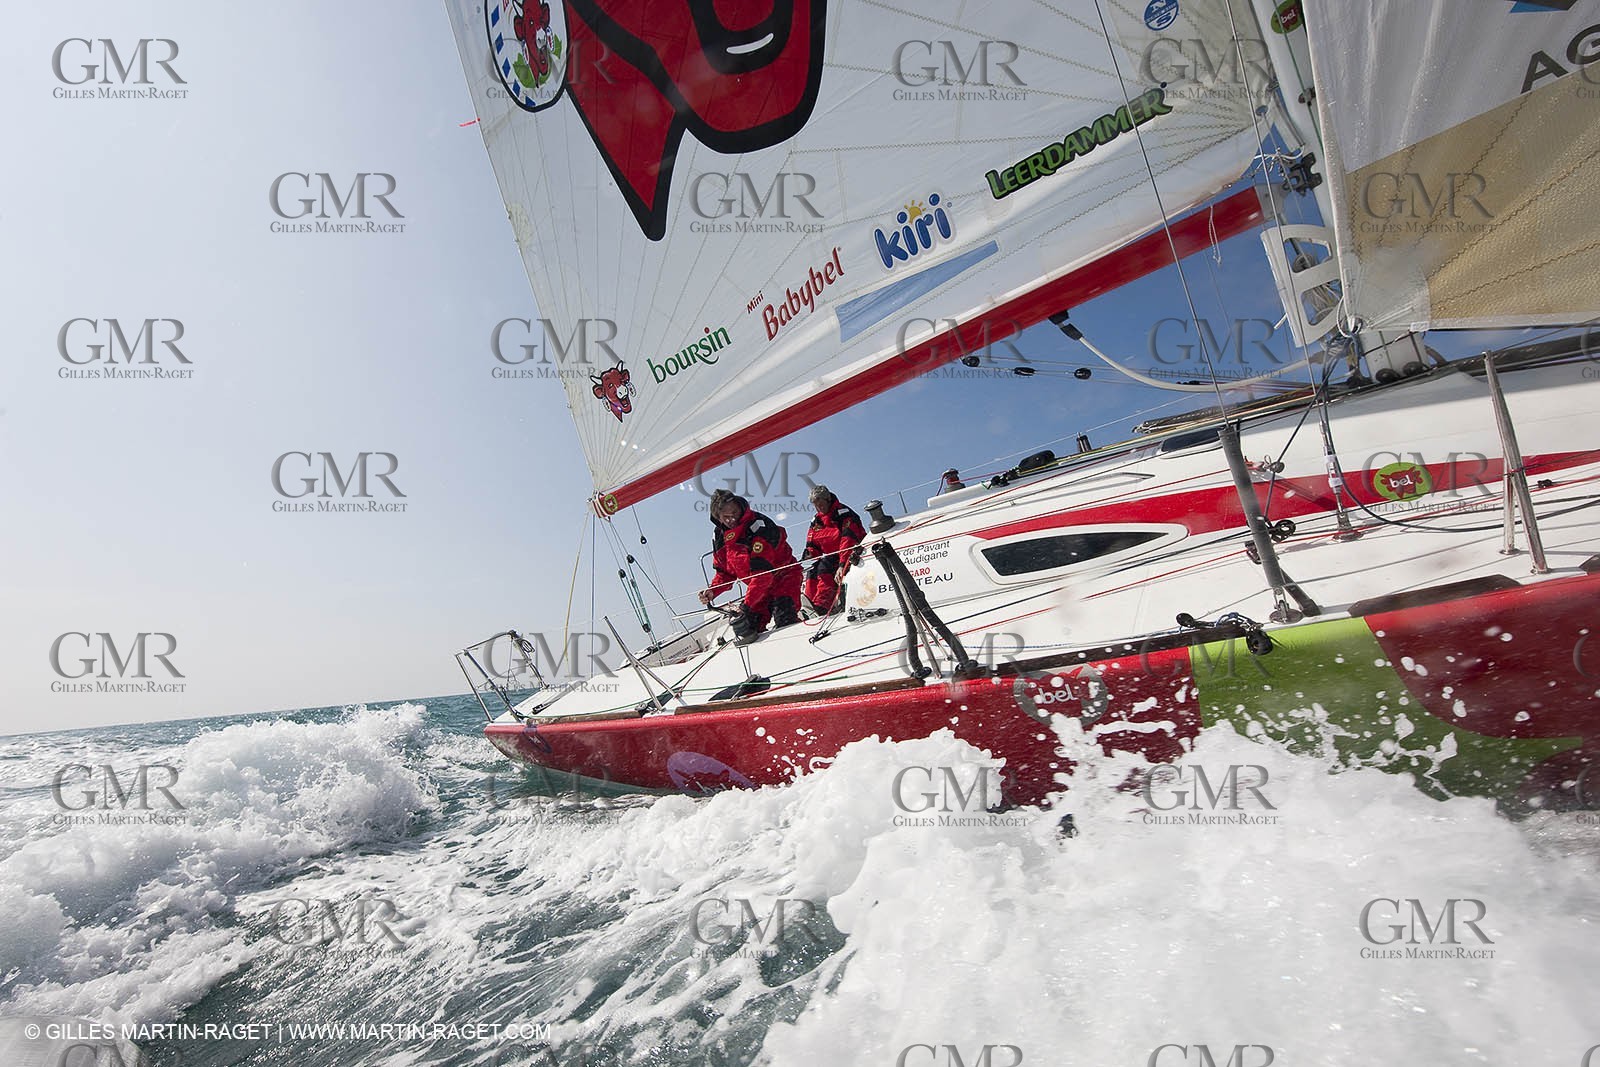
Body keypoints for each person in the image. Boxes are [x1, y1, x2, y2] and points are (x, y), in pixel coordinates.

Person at [698, 489, 802, 642]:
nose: (732, 518)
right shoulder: (720, 537)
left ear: (740, 506)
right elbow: (725, 573)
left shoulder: (758, 526)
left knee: (784, 618)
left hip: (783, 578)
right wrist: (713, 591)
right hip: (758, 588)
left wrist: (745, 607)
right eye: (726, 517)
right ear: (717, 518)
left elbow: (763, 575)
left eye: (734, 512)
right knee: (747, 628)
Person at [801, 485, 866, 615]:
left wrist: (842, 564)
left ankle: (823, 604)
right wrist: (809, 553)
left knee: (825, 567)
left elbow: (848, 540)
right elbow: (813, 543)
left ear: (828, 500)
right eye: (816, 505)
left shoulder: (844, 514)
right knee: (813, 570)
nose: (819, 507)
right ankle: (810, 603)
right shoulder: (816, 521)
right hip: (833, 556)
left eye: (821, 504)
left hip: (852, 553)